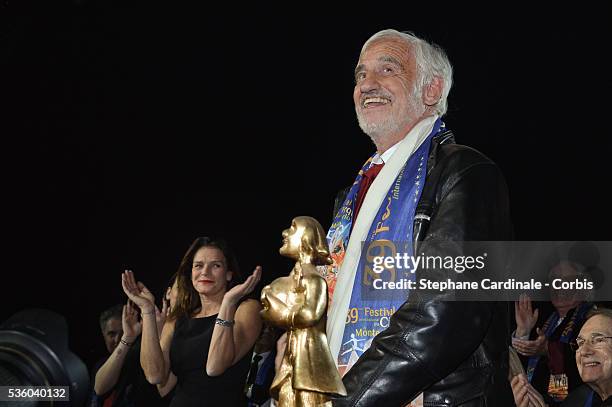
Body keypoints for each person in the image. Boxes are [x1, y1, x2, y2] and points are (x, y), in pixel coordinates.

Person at [321, 29, 514, 406]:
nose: (367, 84)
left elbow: (444, 311)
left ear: (431, 90)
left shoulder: (466, 173)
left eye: (387, 70)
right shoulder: (352, 197)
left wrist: (348, 399)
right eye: (360, 75)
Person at [121, 237, 262, 407]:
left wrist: (227, 303)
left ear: (229, 274)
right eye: (198, 265)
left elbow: (214, 367)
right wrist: (147, 310)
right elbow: (156, 376)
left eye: (215, 265)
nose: (205, 272)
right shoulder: (179, 319)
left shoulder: (246, 308)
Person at [261, 216, 346, 406]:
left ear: (306, 239)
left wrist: (282, 315)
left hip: (308, 358)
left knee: (308, 398)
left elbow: (310, 314)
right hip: (293, 354)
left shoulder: (313, 279)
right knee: (287, 396)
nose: (285, 233)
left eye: (292, 229)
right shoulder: (295, 278)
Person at [512, 261, 594, 405]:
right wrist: (523, 332)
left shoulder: (593, 318)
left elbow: (589, 361)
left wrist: (549, 349)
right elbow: (521, 372)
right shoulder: (545, 321)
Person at [512, 307, 612, 406]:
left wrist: (551, 349)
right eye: (580, 343)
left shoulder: (586, 314)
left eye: (599, 340)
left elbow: (559, 393)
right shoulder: (576, 400)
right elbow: (558, 395)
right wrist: (524, 333)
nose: (584, 351)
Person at [86, 304, 123, 407]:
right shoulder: (99, 366)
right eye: (112, 334)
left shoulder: (142, 366)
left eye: (123, 333)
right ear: (103, 335)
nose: (118, 340)